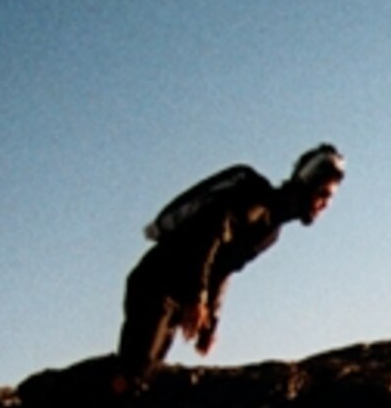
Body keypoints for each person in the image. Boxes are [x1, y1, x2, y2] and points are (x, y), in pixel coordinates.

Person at [111, 144, 344, 390]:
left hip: (176, 295)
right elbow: (207, 238)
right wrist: (197, 298)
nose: (326, 204)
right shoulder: (254, 198)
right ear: (306, 182)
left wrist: (210, 323)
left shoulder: (270, 231)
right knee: (135, 373)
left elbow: (223, 269)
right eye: (324, 193)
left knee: (145, 375)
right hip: (157, 282)